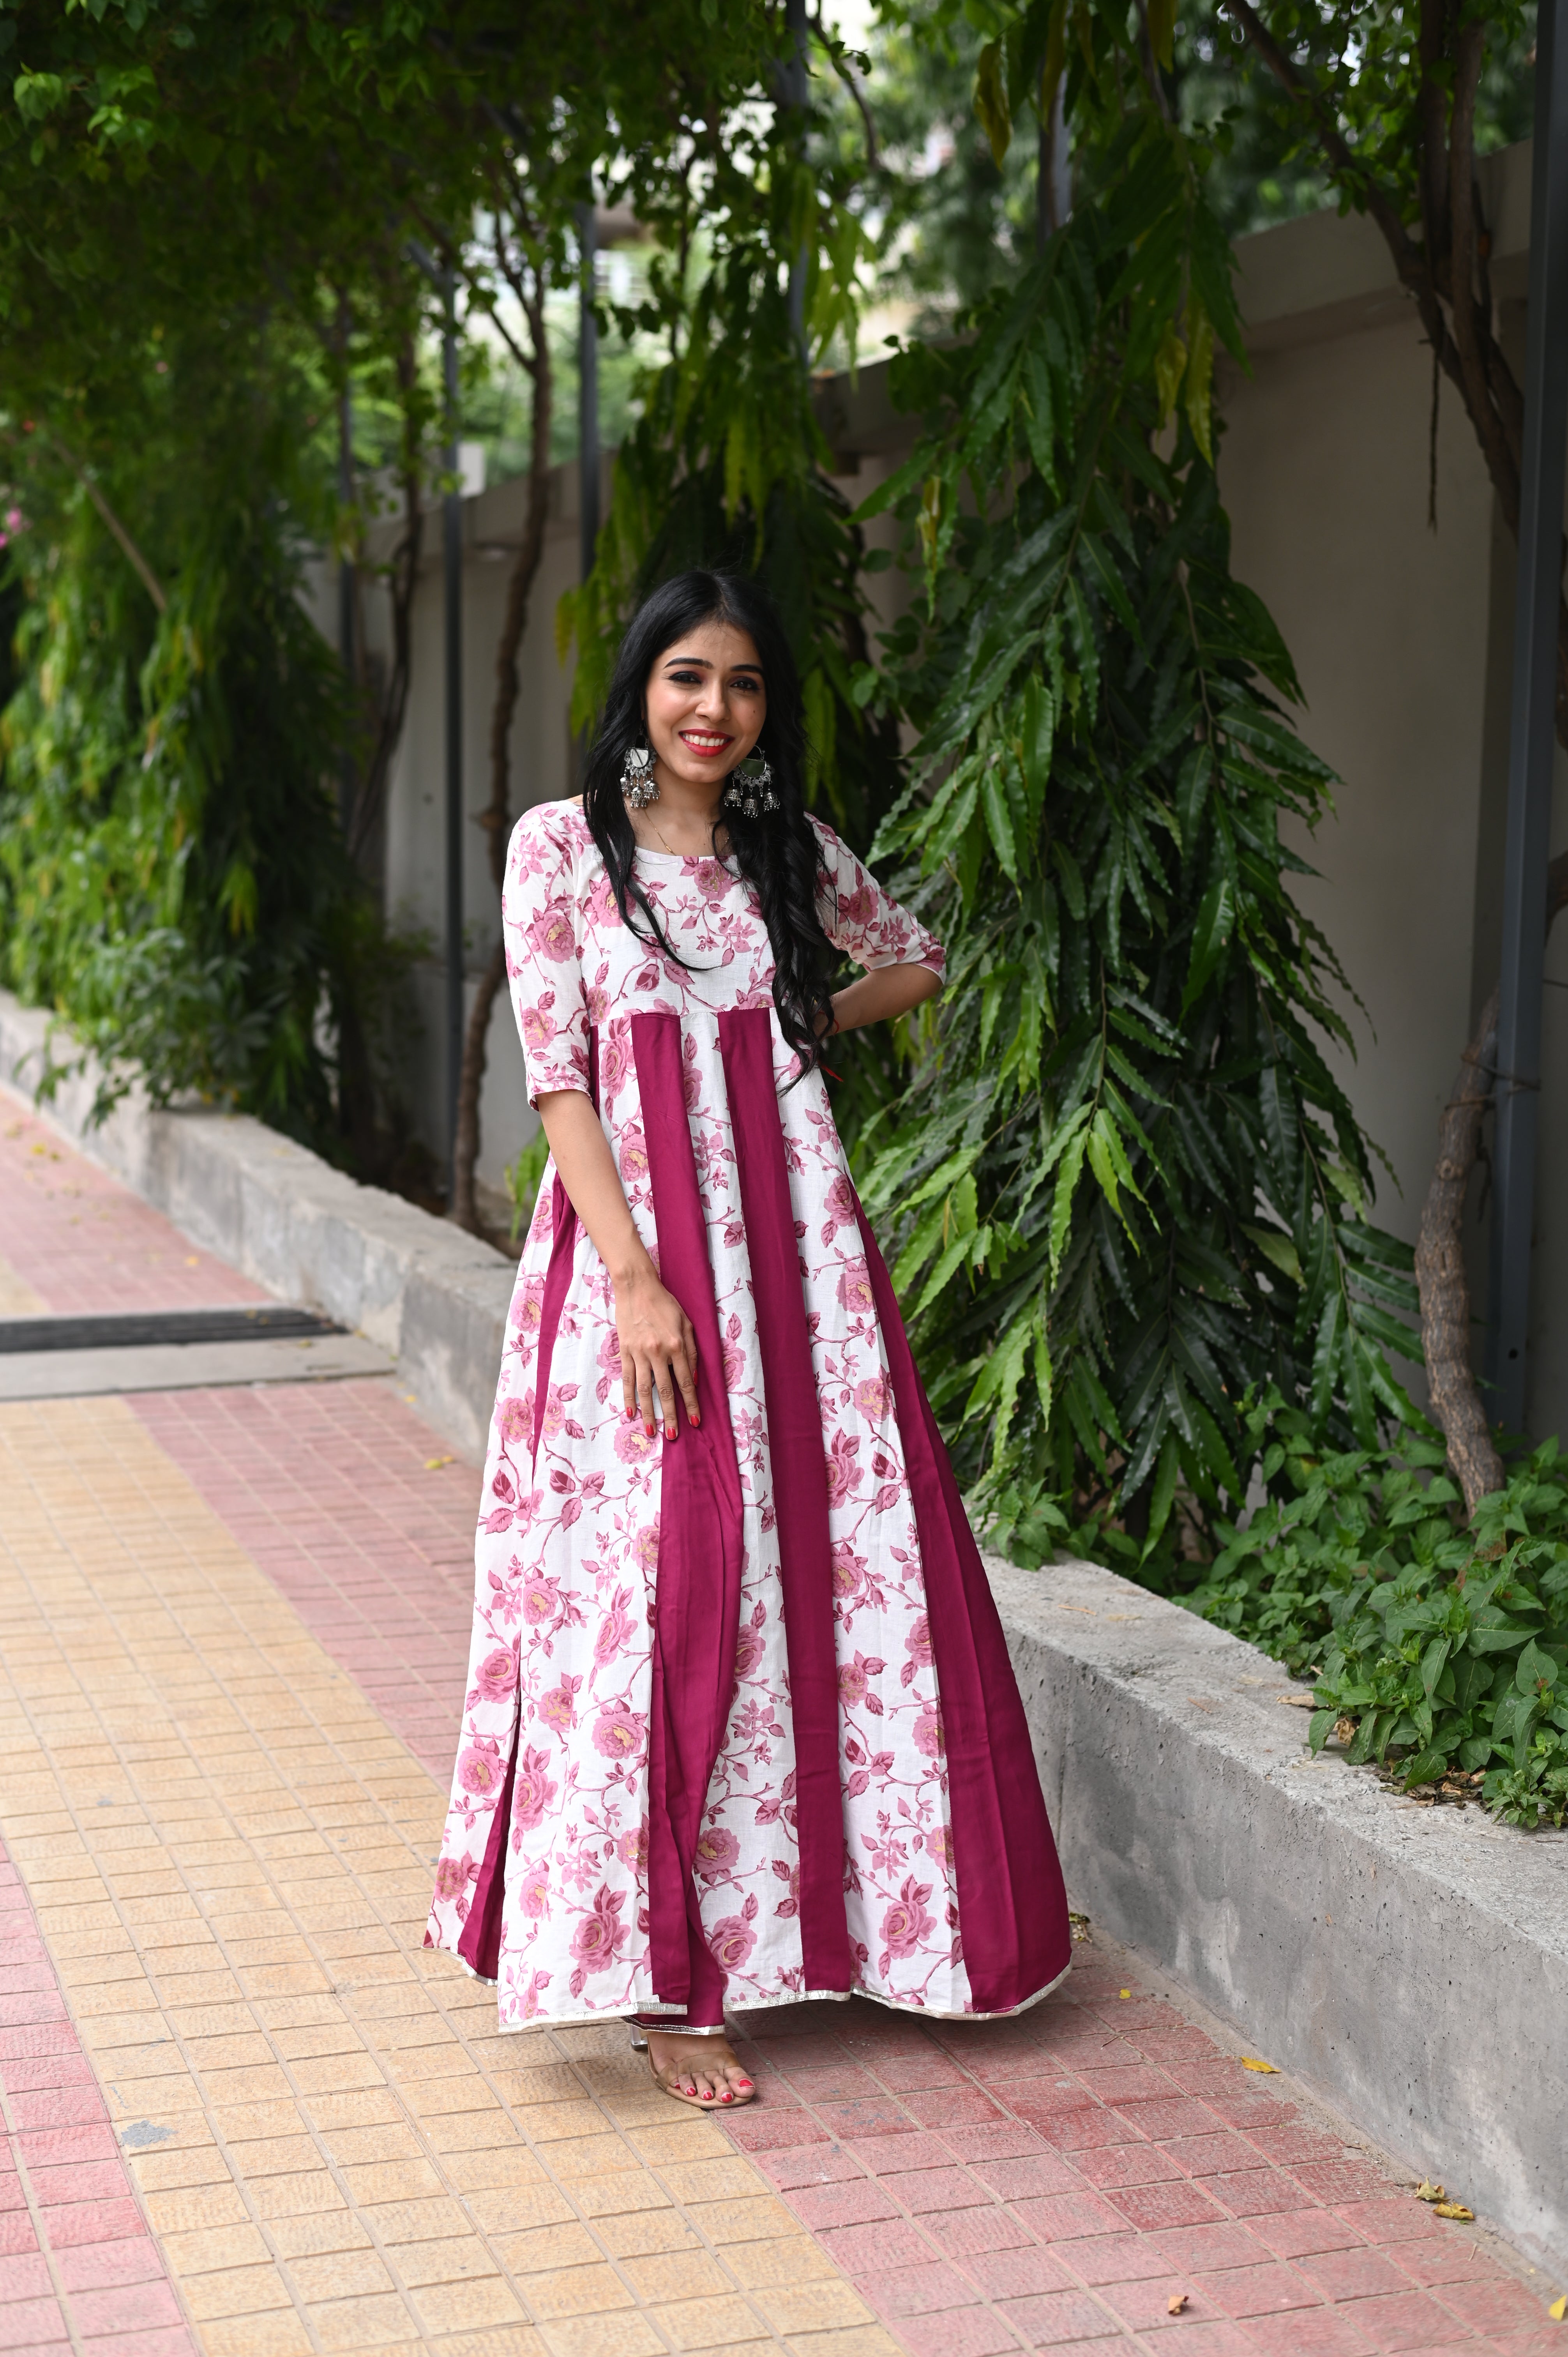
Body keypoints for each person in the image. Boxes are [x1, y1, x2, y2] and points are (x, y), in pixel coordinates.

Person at [426, 570, 1072, 2109]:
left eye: (743, 687)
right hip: (632, 1279)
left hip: (804, 1272)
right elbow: (561, 1077)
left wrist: (798, 1019)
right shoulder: (559, 851)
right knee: (654, 1595)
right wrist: (638, 1284)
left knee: (835, 1575)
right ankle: (660, 1976)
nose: (713, 709)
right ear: (640, 689)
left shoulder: (788, 856)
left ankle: (841, 1935)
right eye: (685, 679)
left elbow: (915, 957)